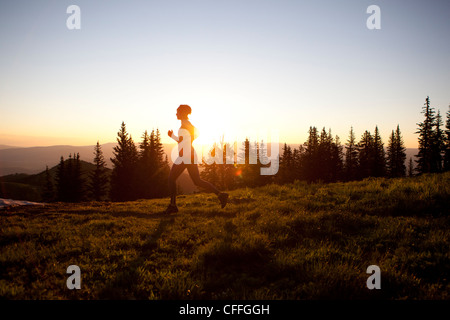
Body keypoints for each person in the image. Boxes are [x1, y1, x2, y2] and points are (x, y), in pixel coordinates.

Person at [165, 104, 228, 214]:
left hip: (185, 156)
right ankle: (221, 195)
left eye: (178, 112)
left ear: (183, 113)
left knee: (171, 179)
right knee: (197, 181)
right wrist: (182, 139)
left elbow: (187, 138)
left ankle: (173, 206)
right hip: (190, 155)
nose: (176, 114)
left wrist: (178, 138)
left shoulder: (185, 124)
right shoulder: (186, 124)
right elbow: (190, 137)